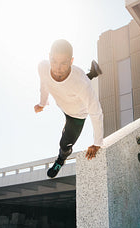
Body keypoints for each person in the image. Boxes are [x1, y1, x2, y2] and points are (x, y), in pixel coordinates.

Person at [34, 39, 104, 178]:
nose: (57, 68)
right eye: (54, 61)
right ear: (49, 57)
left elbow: (96, 113)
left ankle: (61, 160)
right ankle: (92, 73)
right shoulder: (43, 67)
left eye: (64, 63)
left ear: (71, 61)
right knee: (72, 88)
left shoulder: (81, 84)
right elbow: (44, 84)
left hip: (77, 115)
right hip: (64, 103)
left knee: (64, 144)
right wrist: (42, 103)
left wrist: (97, 143)